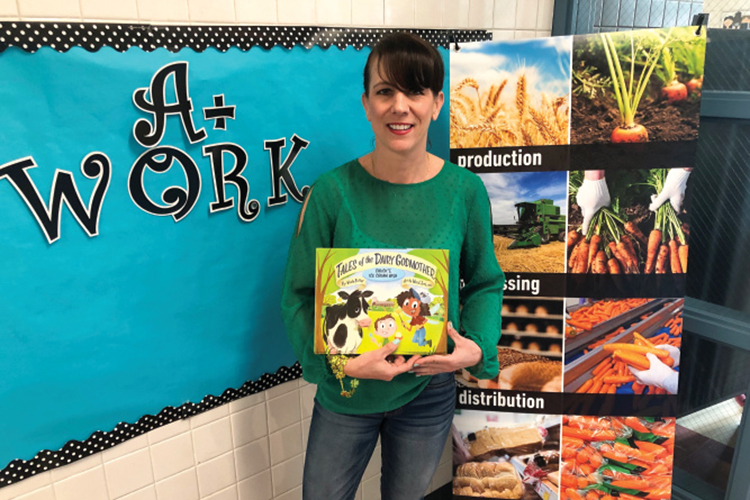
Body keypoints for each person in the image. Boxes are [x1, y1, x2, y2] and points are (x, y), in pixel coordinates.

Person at [281, 32, 505, 500]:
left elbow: (485, 282)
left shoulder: (464, 192)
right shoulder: (332, 192)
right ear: (366, 103)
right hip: (347, 392)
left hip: (428, 391)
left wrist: (476, 349)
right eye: (385, 92)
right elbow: (300, 294)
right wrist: (337, 366)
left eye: (415, 91)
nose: (399, 106)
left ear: (437, 103)